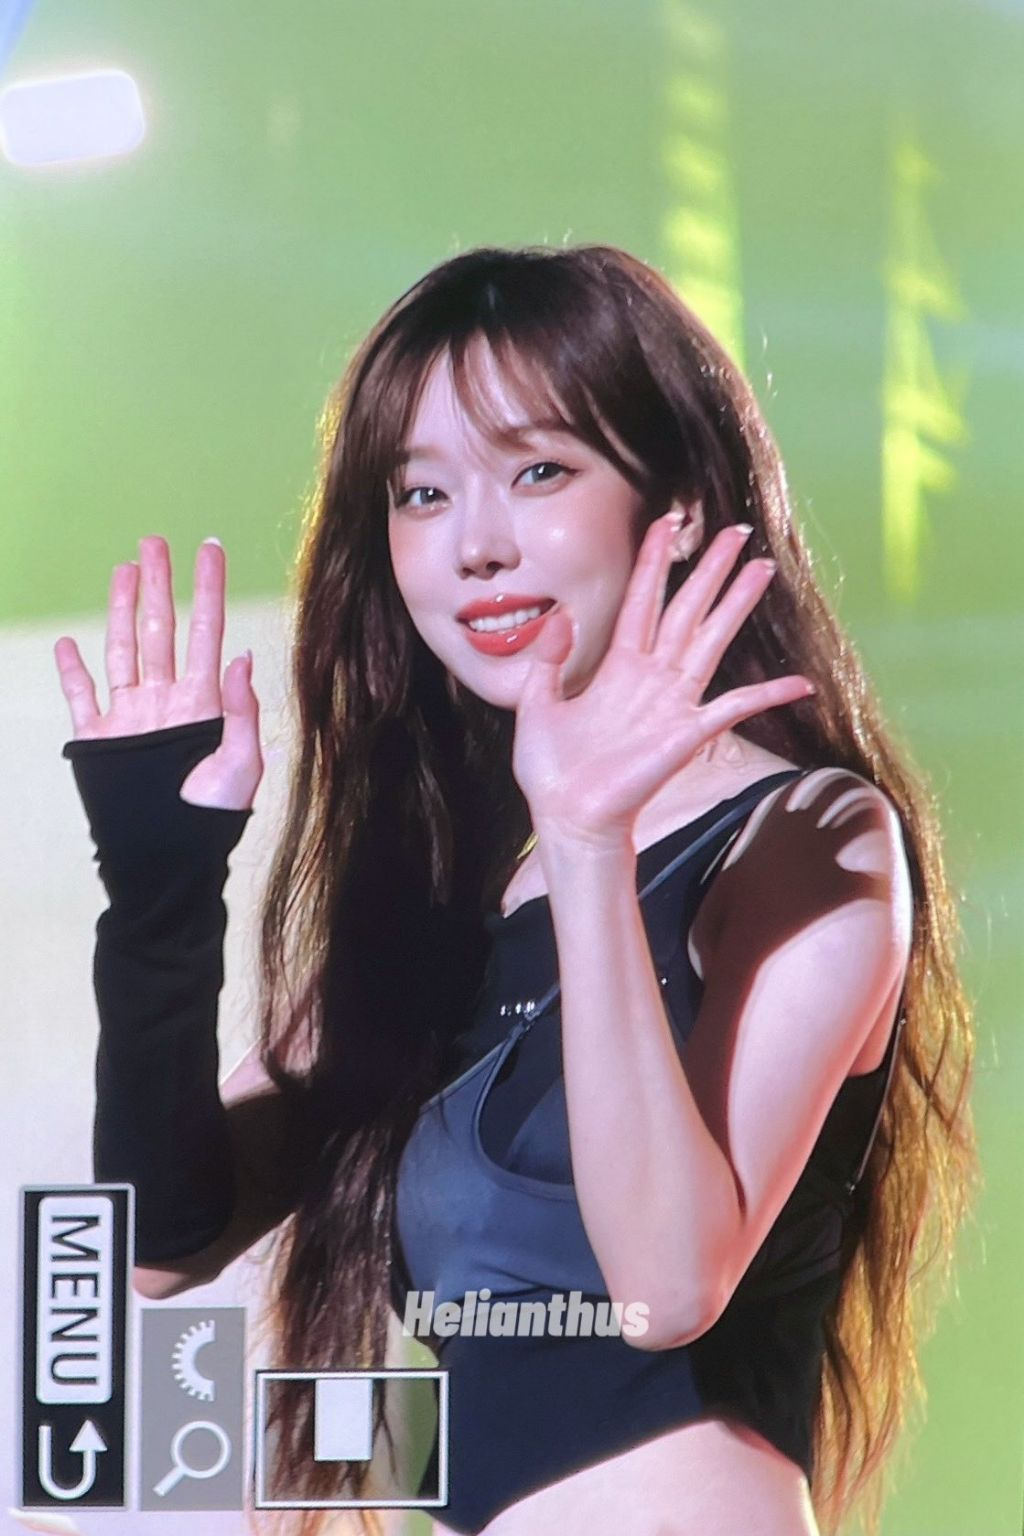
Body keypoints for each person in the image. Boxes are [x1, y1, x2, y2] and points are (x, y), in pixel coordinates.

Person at [55, 244, 978, 1536]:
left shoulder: (812, 837)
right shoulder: (454, 892)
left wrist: (590, 841)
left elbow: (666, 1289)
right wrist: (159, 897)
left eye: (539, 472)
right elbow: (157, 1252)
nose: (476, 547)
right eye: (422, 493)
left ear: (678, 502)